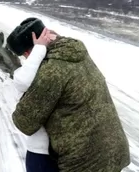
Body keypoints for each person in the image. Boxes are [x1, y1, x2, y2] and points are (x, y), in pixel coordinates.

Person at [7, 17, 130, 172]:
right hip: (113, 149)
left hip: (85, 163)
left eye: (25, 56)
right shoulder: (77, 52)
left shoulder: (50, 70)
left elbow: (24, 122)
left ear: (29, 51)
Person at [12, 28, 59, 172]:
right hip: (71, 149)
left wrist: (38, 50)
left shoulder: (42, 72)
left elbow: (22, 81)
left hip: (43, 151)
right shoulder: (70, 62)